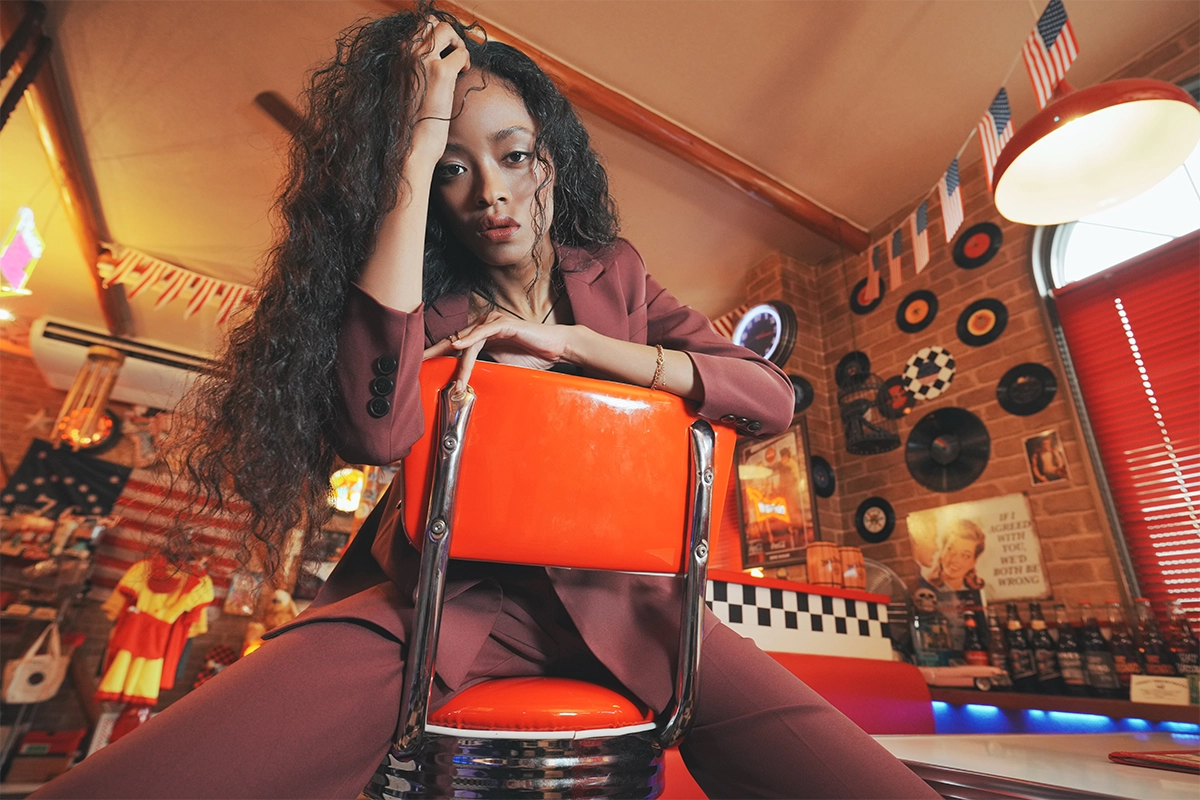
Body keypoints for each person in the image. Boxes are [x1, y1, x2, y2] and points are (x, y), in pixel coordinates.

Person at [33, 6, 939, 799]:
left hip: (634, 614)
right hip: (436, 609)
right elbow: (375, 433)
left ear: (550, 166)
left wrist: (583, 349)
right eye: (452, 170)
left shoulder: (615, 275)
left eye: (512, 156)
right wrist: (411, 150)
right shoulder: (420, 301)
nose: (491, 192)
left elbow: (770, 397)